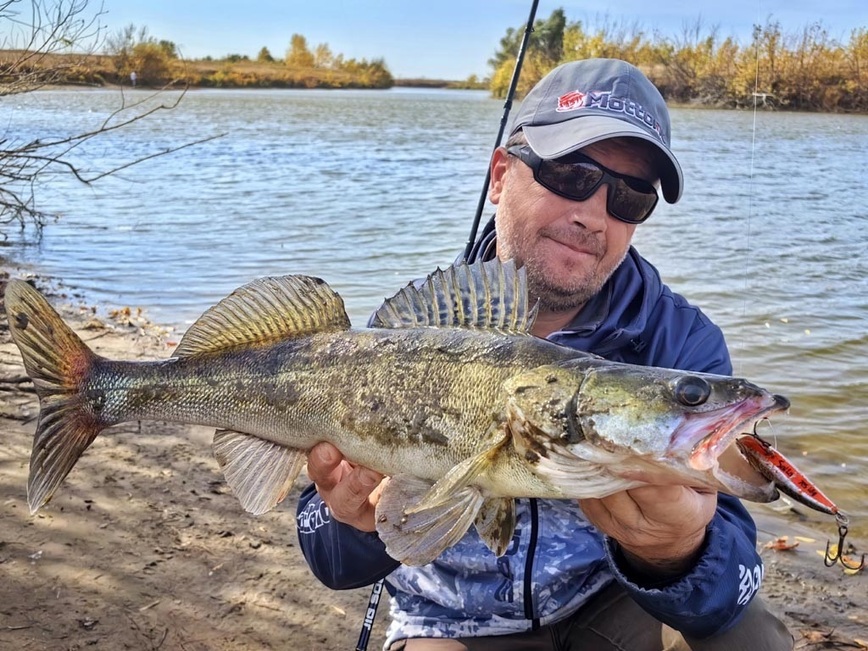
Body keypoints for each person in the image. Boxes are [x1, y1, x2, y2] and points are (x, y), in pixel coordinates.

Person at [296, 58, 795, 650]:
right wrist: (354, 522)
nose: (592, 214)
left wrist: (677, 553)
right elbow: (330, 559)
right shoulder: (415, 333)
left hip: (612, 604)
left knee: (753, 640)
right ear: (501, 174)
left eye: (631, 196)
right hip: (451, 625)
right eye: (571, 173)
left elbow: (730, 587)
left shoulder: (681, 341)